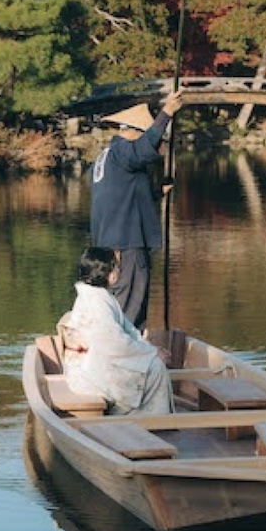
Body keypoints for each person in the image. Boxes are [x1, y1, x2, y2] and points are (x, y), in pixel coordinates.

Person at [90, 89, 186, 331]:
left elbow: (120, 197)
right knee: (130, 307)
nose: (158, 145)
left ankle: (126, 353)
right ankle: (123, 357)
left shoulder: (105, 158)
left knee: (121, 305)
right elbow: (142, 149)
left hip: (110, 244)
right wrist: (166, 114)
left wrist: (155, 193)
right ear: (134, 132)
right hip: (126, 244)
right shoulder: (124, 150)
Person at [57, 247, 175, 417]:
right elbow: (116, 344)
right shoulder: (96, 301)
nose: (119, 271)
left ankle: (146, 416)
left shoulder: (100, 296)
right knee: (155, 367)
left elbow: (129, 331)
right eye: (116, 267)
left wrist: (150, 349)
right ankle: (147, 419)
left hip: (98, 360)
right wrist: (151, 354)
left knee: (153, 362)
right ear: (108, 273)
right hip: (90, 371)